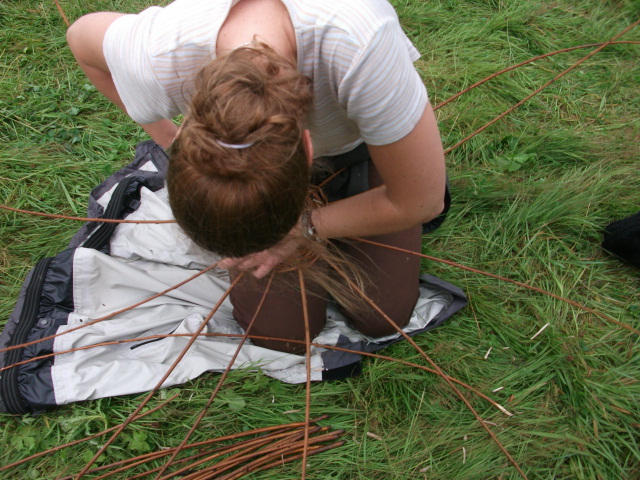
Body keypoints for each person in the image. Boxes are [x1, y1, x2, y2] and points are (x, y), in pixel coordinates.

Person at [66, 0, 448, 354]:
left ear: (308, 149)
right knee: (282, 337)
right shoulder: (157, 55)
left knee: (383, 318)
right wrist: (169, 136)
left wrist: (301, 228)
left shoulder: (360, 46)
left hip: (360, 151)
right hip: (270, 168)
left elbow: (419, 200)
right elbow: (81, 38)